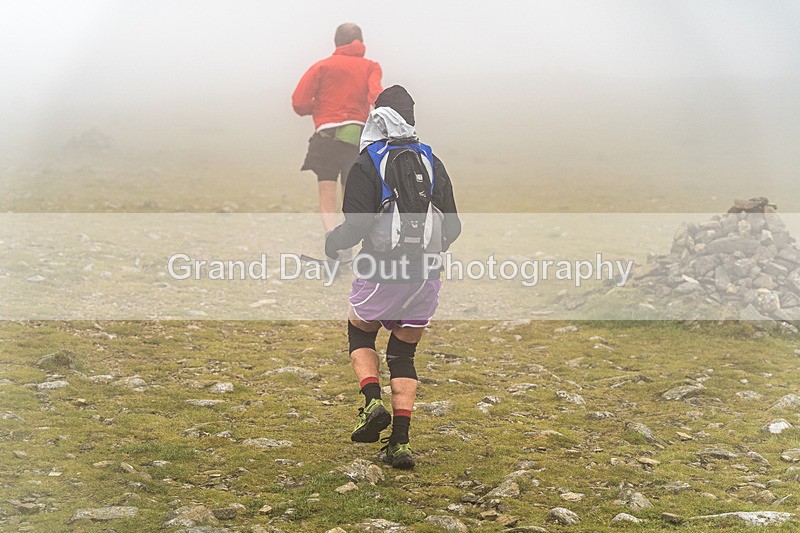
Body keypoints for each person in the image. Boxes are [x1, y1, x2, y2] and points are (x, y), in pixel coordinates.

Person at [325, 85, 461, 469]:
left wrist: (332, 244)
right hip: (425, 277)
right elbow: (452, 228)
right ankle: (399, 444)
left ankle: (371, 403)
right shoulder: (431, 160)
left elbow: (355, 226)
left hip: (380, 270)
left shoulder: (368, 160)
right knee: (403, 355)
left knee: (360, 331)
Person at [292, 23, 383, 254]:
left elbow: (299, 103)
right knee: (352, 195)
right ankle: (347, 243)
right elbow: (376, 97)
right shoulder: (370, 67)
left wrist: (320, 108)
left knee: (327, 193)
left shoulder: (321, 66)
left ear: (336, 42)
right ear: (361, 41)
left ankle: (332, 240)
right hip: (356, 140)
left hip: (326, 138)